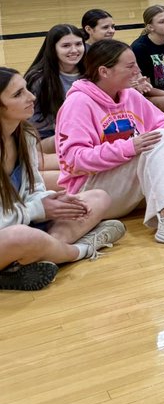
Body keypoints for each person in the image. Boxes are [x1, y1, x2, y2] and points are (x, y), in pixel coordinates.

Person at [56, 40, 164, 246]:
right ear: (104, 71)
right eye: (130, 66)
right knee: (160, 138)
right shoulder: (77, 103)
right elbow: (74, 160)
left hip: (127, 189)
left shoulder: (129, 94)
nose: (138, 71)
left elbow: (163, 122)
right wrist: (130, 147)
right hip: (92, 193)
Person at [0, 67, 126, 291]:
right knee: (19, 236)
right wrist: (39, 209)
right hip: (10, 232)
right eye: (18, 94)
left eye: (26, 89)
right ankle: (77, 251)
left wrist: (52, 201)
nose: (32, 97)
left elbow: (35, 186)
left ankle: (31, 259)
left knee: (97, 197)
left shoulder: (25, 134)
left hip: (23, 221)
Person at [24, 24, 86, 180]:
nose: (74, 50)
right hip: (47, 139)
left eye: (78, 44)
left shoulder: (90, 72)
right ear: (53, 48)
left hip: (81, 135)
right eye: (66, 45)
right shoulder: (39, 79)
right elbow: (29, 123)